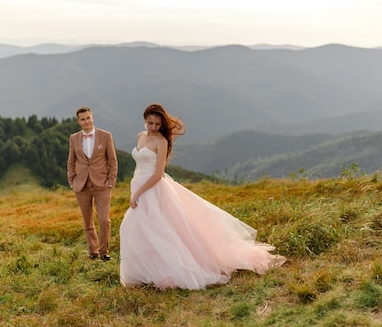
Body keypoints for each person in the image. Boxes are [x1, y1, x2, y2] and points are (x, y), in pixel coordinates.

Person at [119, 103, 286, 289]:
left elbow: (158, 174)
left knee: (157, 229)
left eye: (157, 124)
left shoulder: (161, 141)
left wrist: (139, 192)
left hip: (152, 188)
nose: (154, 127)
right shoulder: (140, 136)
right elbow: (140, 165)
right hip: (139, 185)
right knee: (141, 229)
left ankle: (167, 270)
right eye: (150, 123)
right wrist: (135, 187)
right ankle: (146, 271)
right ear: (144, 120)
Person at [67, 107, 118, 261]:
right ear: (78, 121)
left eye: (88, 118)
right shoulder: (74, 138)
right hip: (81, 185)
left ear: (92, 118)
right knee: (87, 221)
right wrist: (72, 180)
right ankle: (93, 251)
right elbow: (71, 161)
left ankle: (104, 251)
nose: (86, 121)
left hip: (102, 185)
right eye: (83, 119)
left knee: (104, 220)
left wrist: (111, 182)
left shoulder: (105, 135)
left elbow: (113, 161)